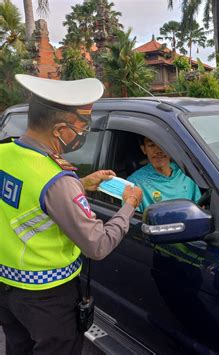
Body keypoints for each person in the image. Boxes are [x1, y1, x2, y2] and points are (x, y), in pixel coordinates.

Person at [0, 74, 143, 355]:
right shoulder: (56, 179)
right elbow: (98, 245)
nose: (84, 132)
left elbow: (30, 202)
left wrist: (82, 184)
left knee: (18, 347)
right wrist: (128, 206)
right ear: (60, 129)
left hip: (6, 289)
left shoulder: (5, 153)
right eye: (83, 125)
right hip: (47, 298)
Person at [128, 136, 201, 213]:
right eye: (152, 145)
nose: (158, 151)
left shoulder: (186, 173)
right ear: (144, 149)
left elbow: (199, 209)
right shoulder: (135, 183)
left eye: (162, 144)